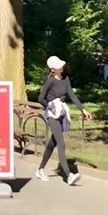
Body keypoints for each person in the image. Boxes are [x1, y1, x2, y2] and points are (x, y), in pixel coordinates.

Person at [36, 55, 92, 185]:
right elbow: (41, 98)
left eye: (61, 65)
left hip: (61, 113)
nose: (62, 67)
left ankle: (40, 169)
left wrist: (83, 110)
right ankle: (68, 175)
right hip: (51, 114)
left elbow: (71, 95)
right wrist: (50, 106)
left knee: (53, 143)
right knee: (61, 143)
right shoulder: (50, 81)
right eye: (58, 66)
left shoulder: (65, 79)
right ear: (53, 70)